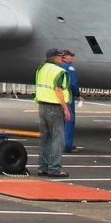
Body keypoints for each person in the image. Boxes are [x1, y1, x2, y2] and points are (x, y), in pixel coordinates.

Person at [34, 48, 72, 177]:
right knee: (57, 138)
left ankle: (42, 167)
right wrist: (66, 108)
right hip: (55, 107)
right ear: (55, 58)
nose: (62, 59)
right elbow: (58, 89)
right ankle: (54, 168)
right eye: (60, 57)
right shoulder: (60, 71)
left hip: (42, 106)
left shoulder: (41, 69)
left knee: (45, 138)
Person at [61, 50, 83, 153]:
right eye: (71, 56)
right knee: (69, 121)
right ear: (65, 57)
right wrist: (78, 95)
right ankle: (67, 145)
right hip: (67, 98)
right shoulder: (69, 68)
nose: (72, 58)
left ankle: (57, 144)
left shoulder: (57, 67)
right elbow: (73, 83)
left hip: (56, 98)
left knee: (59, 122)